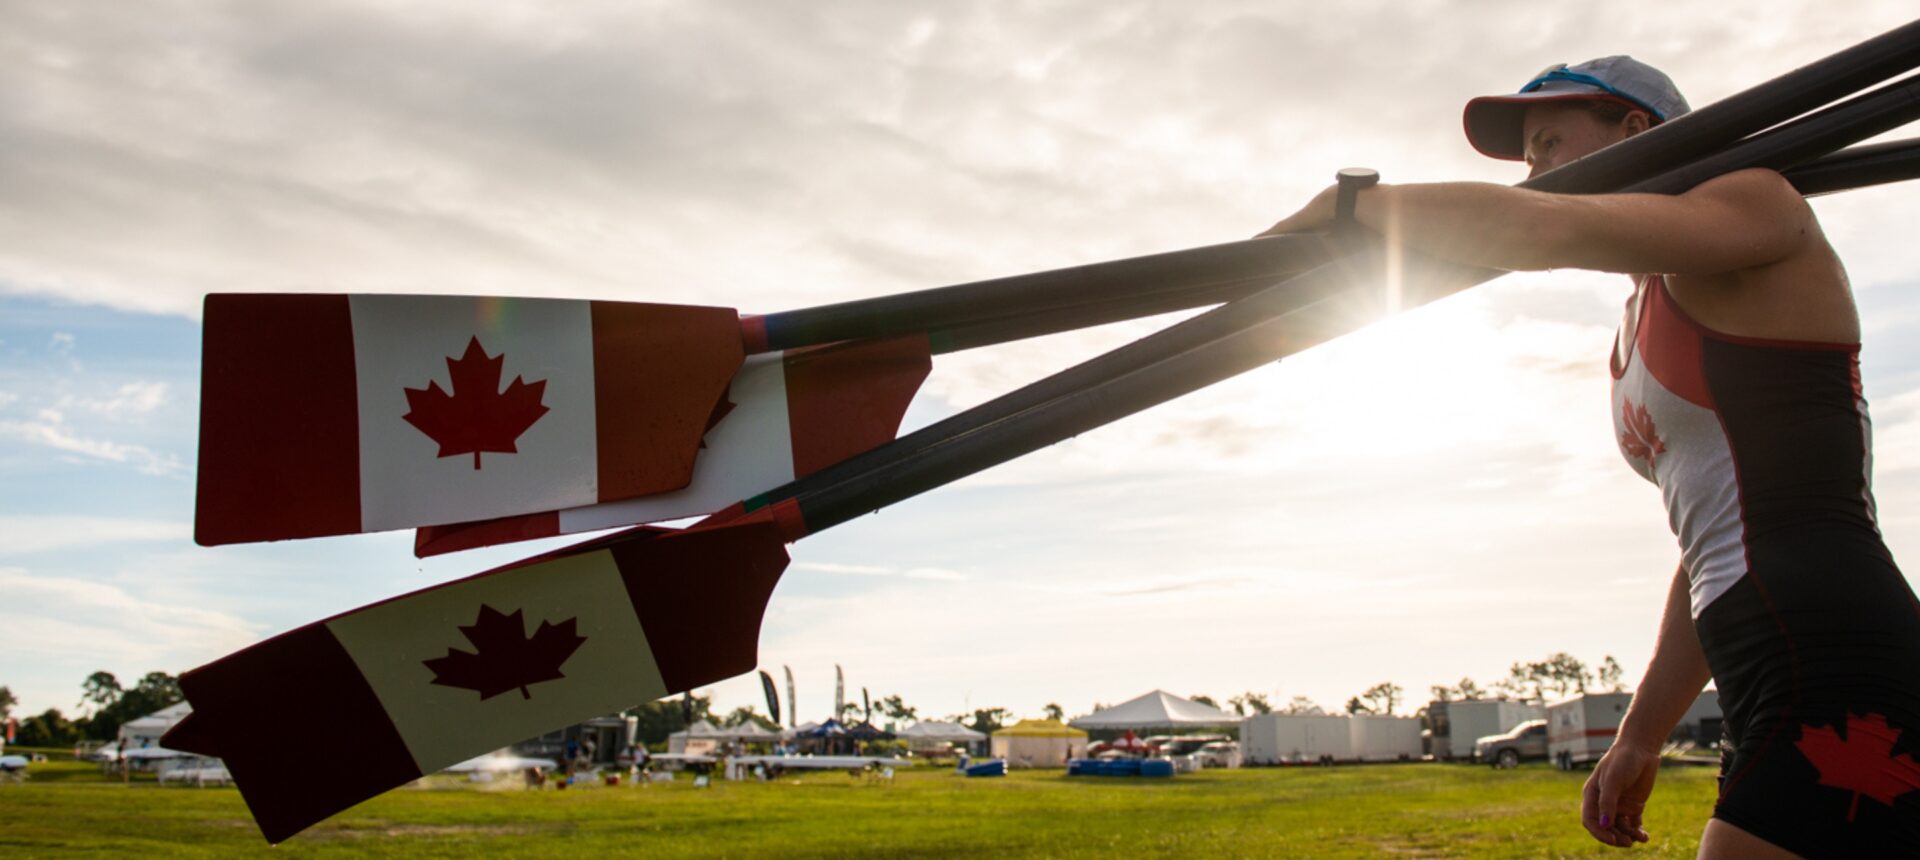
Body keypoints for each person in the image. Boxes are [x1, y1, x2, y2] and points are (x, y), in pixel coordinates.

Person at [1262, 56, 1920, 857]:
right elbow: (1710, 541)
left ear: (1635, 131)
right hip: (1755, 642)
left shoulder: (1759, 201)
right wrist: (1641, 734)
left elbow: (1544, 231)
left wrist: (1354, 202)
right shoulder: (1641, 308)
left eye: (1545, 144)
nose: (1532, 174)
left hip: (1832, 633)